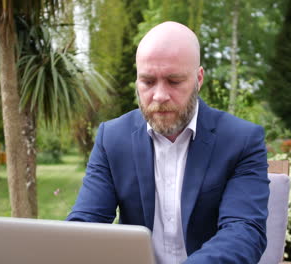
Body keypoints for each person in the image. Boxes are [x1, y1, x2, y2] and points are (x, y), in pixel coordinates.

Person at [67, 21, 269, 264]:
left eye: (174, 81)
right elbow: (86, 225)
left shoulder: (241, 140)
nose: (160, 96)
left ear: (199, 78)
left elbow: (244, 232)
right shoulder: (112, 138)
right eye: (148, 82)